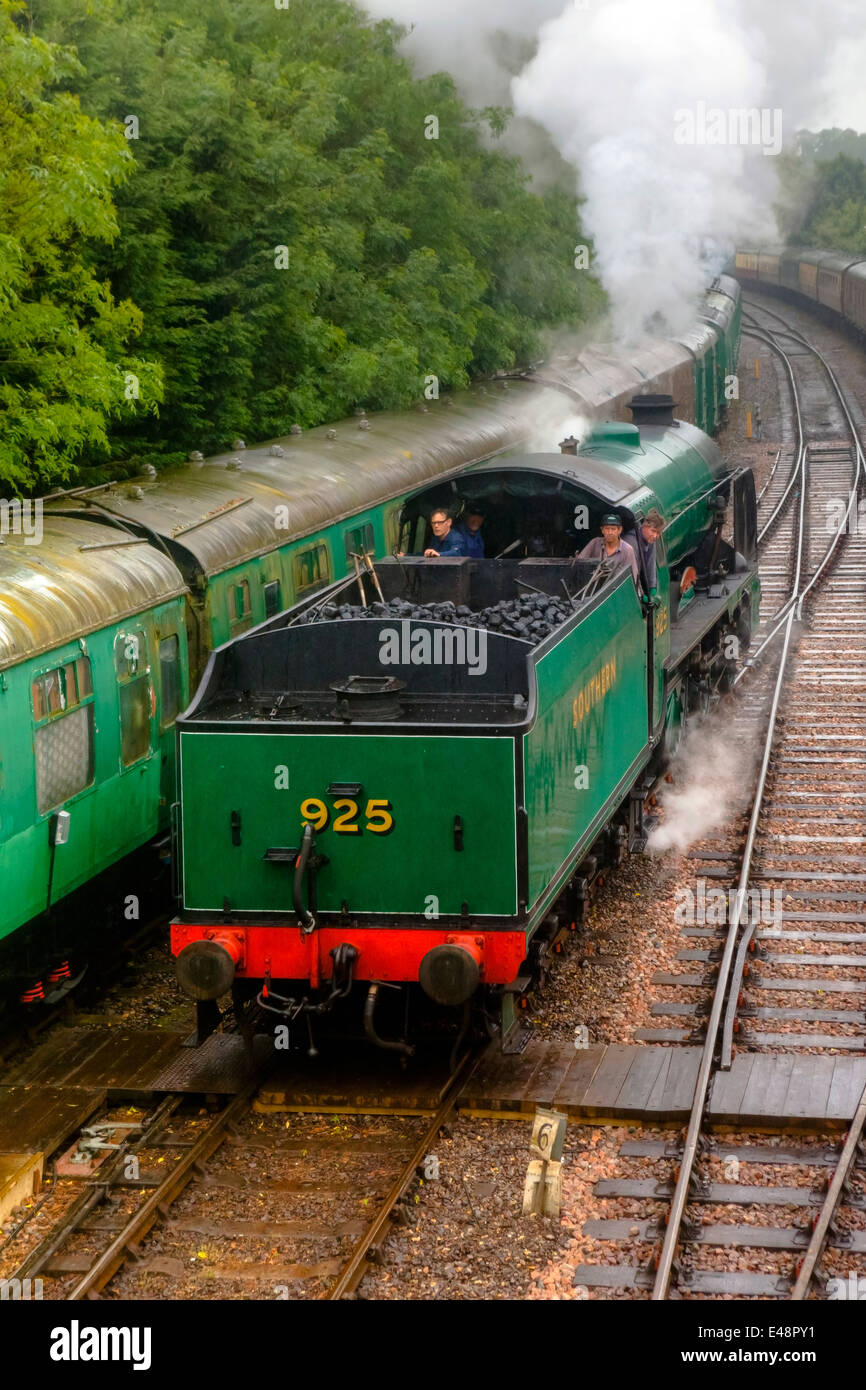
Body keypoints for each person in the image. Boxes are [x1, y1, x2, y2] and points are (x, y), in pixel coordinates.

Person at [577, 513, 639, 584]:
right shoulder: (595, 542)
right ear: (602, 530)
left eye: (613, 529)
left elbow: (633, 577)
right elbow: (579, 563)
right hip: (593, 589)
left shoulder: (627, 549)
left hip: (616, 590)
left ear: (619, 530)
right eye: (607, 529)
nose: (610, 532)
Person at [622, 509, 665, 598]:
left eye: (658, 533)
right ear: (644, 526)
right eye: (653, 531)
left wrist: (652, 586)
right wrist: (641, 595)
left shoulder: (650, 540)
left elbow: (651, 563)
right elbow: (633, 573)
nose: (655, 536)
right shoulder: (631, 544)